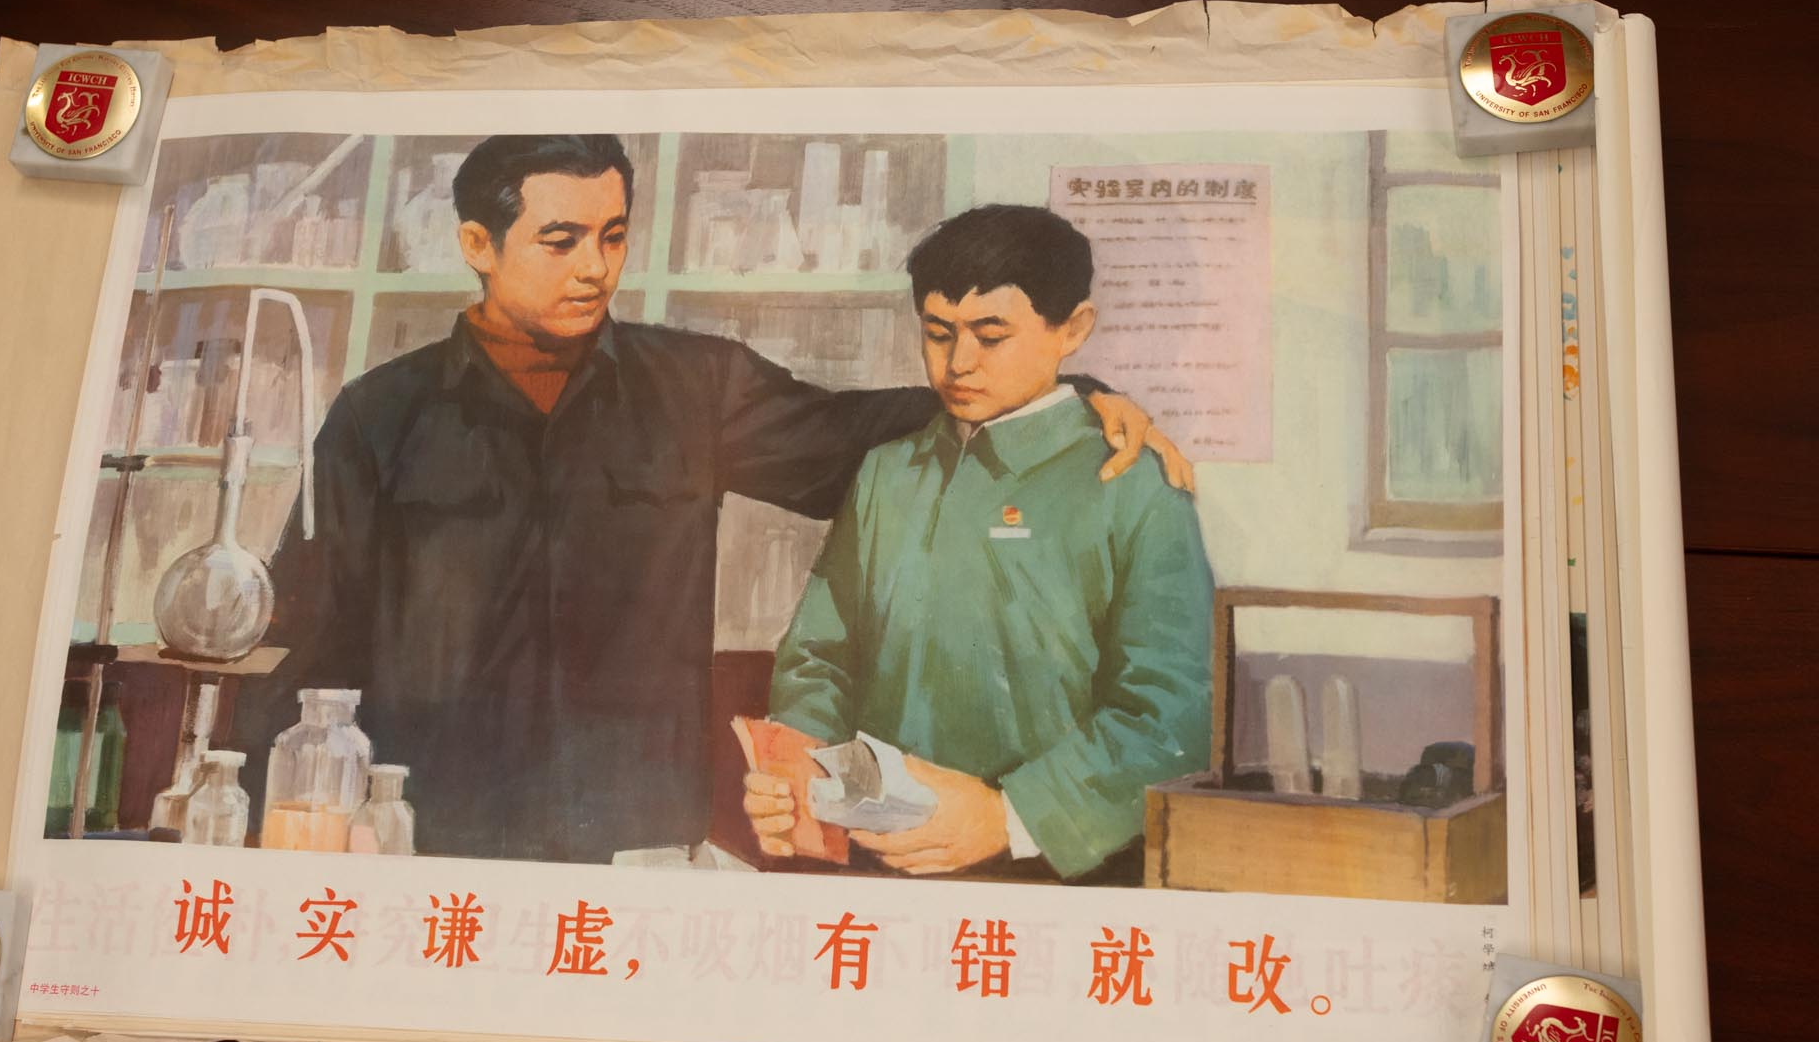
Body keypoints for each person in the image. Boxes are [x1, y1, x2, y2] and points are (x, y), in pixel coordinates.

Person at [243, 136, 1192, 862]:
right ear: (477, 246)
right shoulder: (379, 413)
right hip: (428, 825)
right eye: (561, 240)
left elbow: (867, 430)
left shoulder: (694, 389)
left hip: (636, 833)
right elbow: (318, 634)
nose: (595, 267)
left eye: (614, 236)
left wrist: (1070, 398)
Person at [746, 204, 1214, 882]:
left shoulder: (1134, 483)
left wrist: (1007, 816)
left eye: (991, 337)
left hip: (1059, 872)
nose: (959, 363)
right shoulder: (887, 472)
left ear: (1073, 329)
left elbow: (1169, 716)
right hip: (878, 861)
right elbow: (819, 657)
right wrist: (799, 771)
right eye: (938, 334)